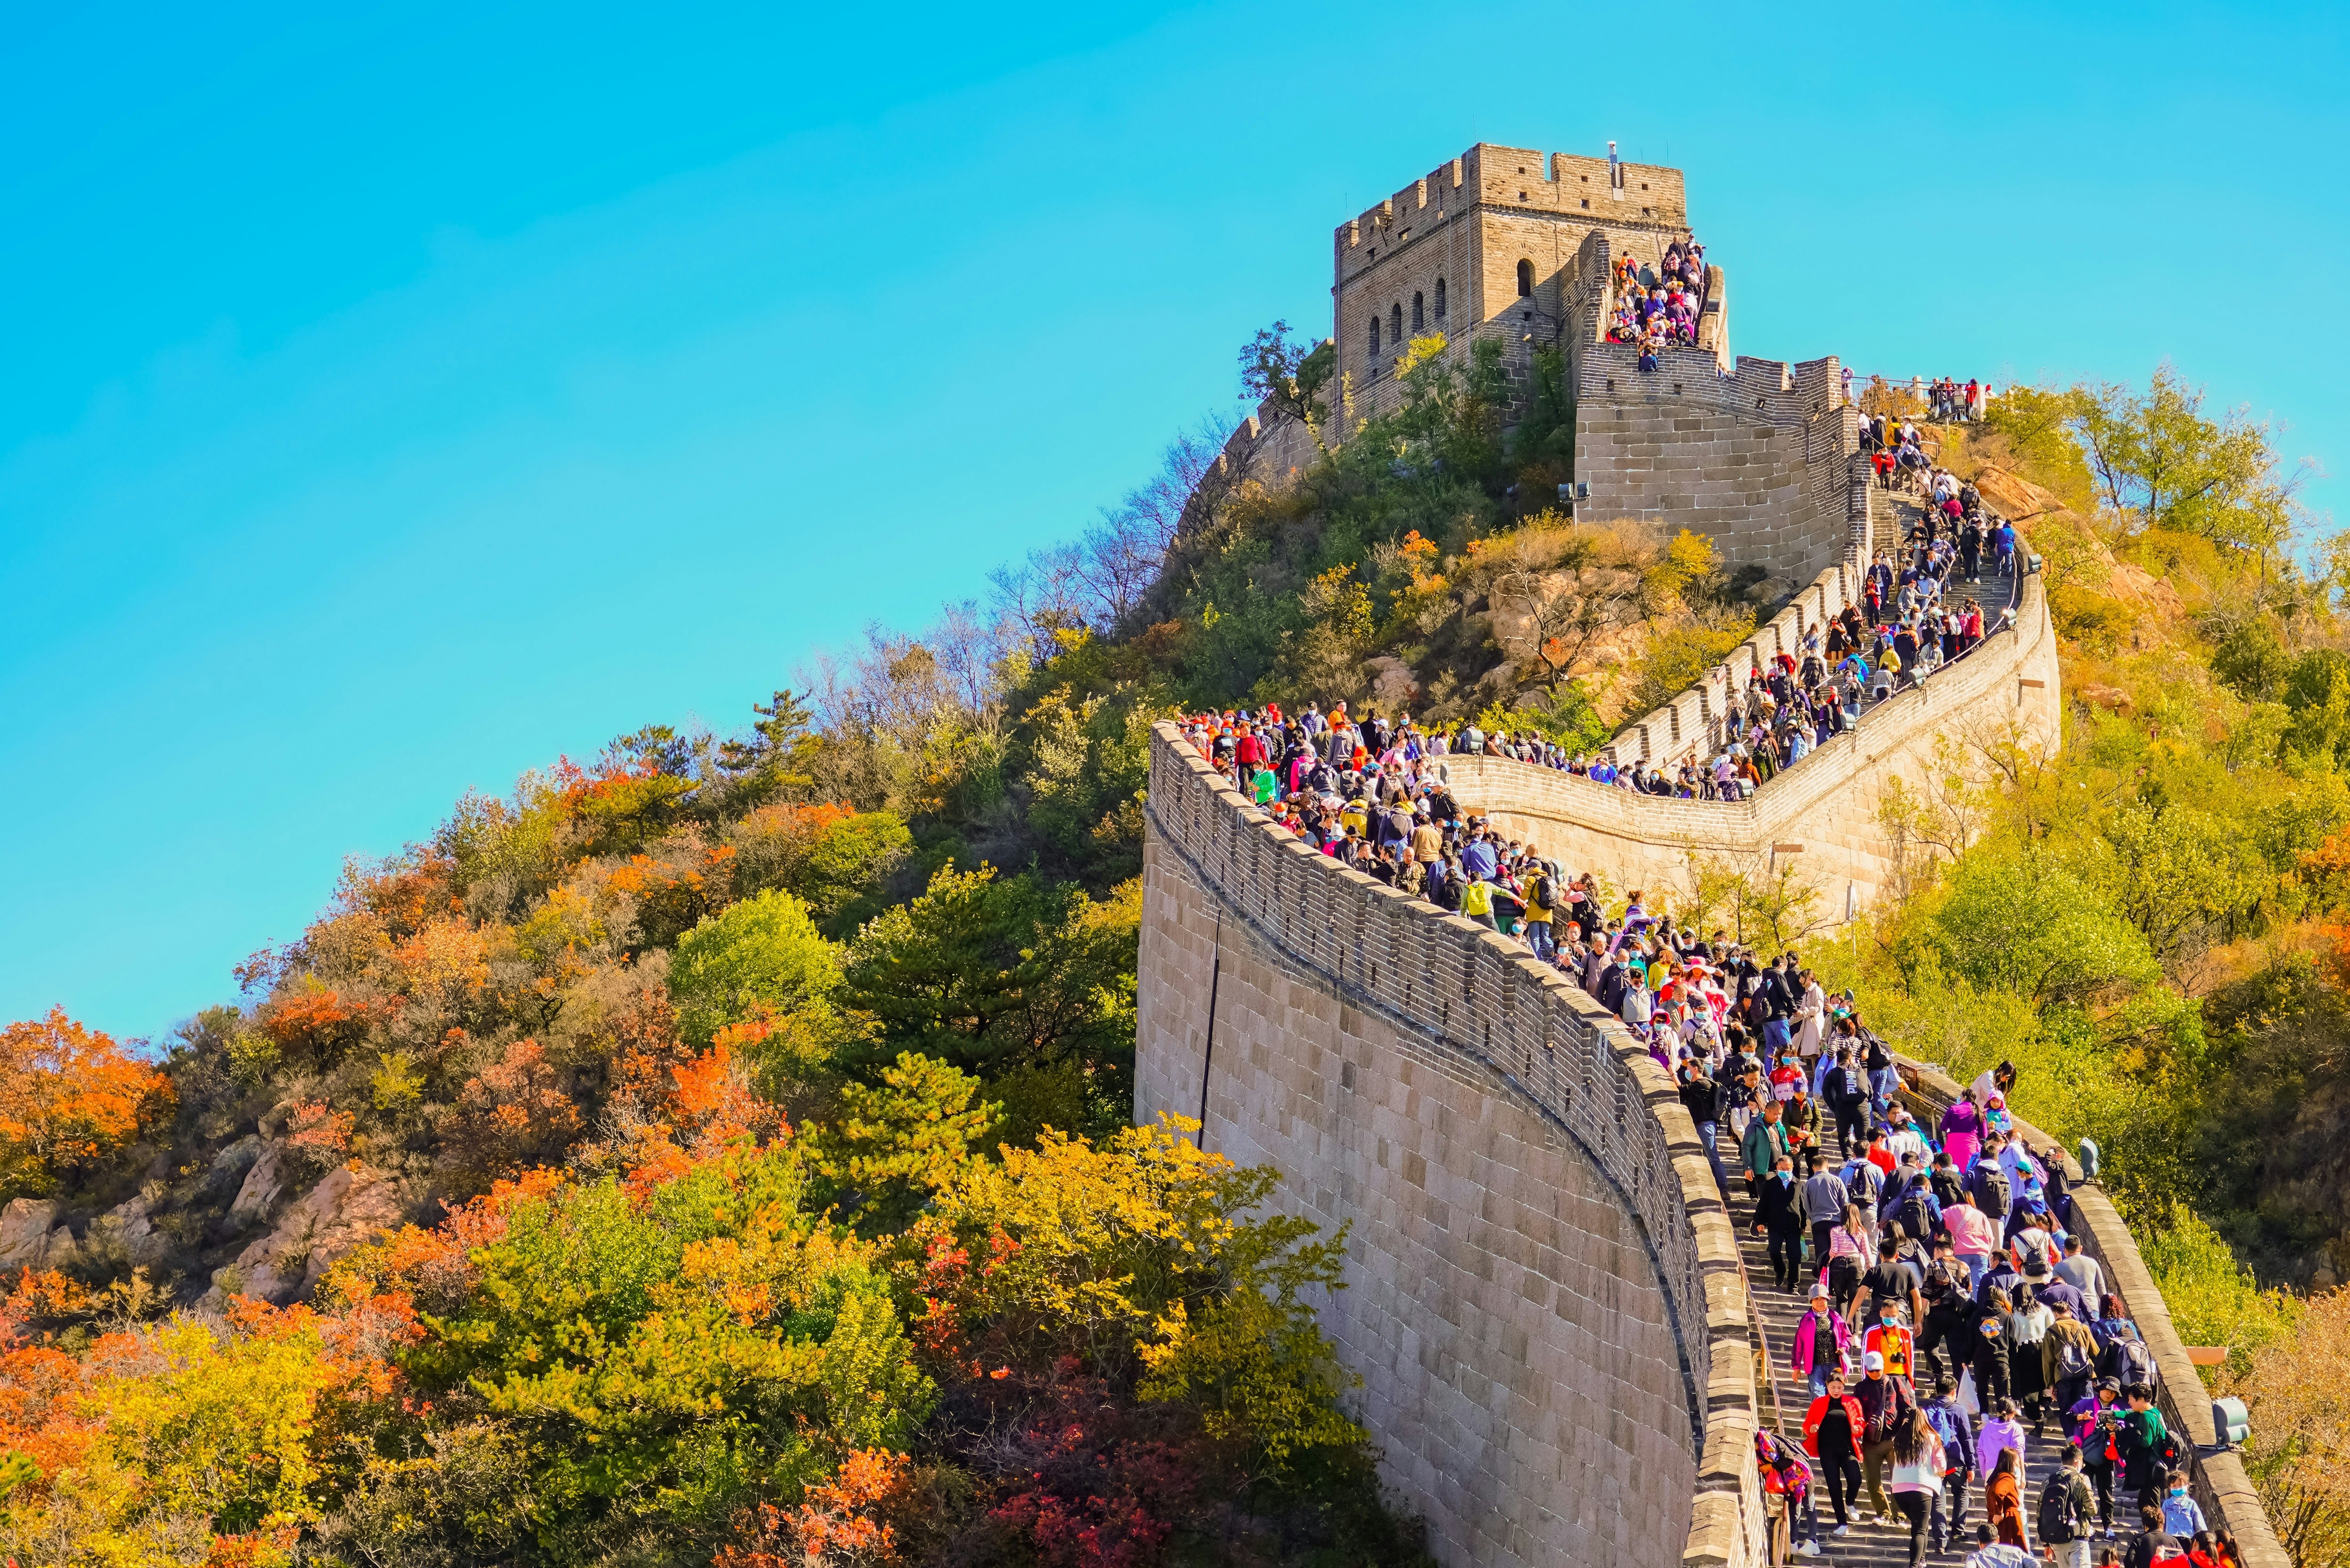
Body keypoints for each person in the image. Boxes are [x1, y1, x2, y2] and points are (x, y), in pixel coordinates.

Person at [1804, 1369, 1867, 1535]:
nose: (1836, 1391)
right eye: (1833, 1387)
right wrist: (1811, 1428)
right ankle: (1842, 1523)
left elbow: (1861, 1424)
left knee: (1856, 1479)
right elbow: (1807, 1425)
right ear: (1827, 1386)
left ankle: (1850, 1502)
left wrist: (1858, 1429)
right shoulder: (1819, 1403)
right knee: (1834, 1486)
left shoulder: (1853, 1402)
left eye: (1840, 1387)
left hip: (1847, 1449)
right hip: (1828, 1451)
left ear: (1844, 1387)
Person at [1858, 1348, 1917, 1524]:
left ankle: (1900, 1515)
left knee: (1899, 1480)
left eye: (1878, 1370)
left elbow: (1908, 1408)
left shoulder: (1896, 1382)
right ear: (1866, 1370)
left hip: (1894, 1439)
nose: (1875, 1374)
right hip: (1871, 1441)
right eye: (1872, 1371)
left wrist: (1905, 1431)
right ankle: (1883, 1512)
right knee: (1872, 1480)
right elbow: (1857, 1412)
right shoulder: (1860, 1388)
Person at [1922, 1372, 1977, 1552]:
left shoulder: (1926, 1410)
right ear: (1954, 1391)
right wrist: (1971, 1466)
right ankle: (1957, 1531)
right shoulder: (1959, 1410)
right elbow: (1967, 1438)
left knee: (1938, 1498)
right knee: (1962, 1493)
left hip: (1934, 1462)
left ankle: (1940, 1540)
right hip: (1955, 1461)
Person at [1888, 1406, 1947, 1568]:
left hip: (1899, 1489)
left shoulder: (1899, 1437)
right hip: (1922, 1488)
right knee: (1919, 1530)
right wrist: (1940, 1473)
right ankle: (1915, 1565)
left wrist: (1903, 1425)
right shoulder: (1932, 1437)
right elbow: (1941, 1464)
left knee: (1920, 1526)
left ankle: (1922, 1560)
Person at [2041, 1443, 2099, 1568]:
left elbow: (2040, 1512)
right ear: (2078, 1462)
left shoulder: (2049, 1481)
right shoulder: (2080, 1479)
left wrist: (2046, 1544)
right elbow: (2092, 1510)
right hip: (2077, 1538)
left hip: (2056, 1539)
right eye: (2082, 1464)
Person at [1757, 1152, 1807, 1290]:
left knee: (1795, 1256)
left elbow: (1802, 1206)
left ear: (1792, 1168)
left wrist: (1803, 1224)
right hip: (1775, 1223)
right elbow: (1763, 1204)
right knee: (1774, 1251)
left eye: (1788, 1169)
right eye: (1783, 1168)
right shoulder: (1770, 1184)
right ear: (1778, 1167)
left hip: (1793, 1224)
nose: (1786, 1171)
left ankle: (1793, 1285)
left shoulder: (1798, 1184)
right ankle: (1780, 1270)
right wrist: (1760, 1221)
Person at [1794, 1284, 1852, 1398]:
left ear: (1827, 1300)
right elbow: (1798, 1344)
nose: (1820, 1302)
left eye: (1822, 1299)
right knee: (1817, 1396)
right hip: (1815, 1366)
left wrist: (1843, 1347)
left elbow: (1847, 1337)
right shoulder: (1806, 1320)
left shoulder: (1836, 1318)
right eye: (1816, 1299)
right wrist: (1796, 1367)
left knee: (1835, 1395)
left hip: (1834, 1364)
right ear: (1811, 1301)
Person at [1985, 1446, 2029, 1550]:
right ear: (2012, 1463)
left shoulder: (1996, 1477)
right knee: (2012, 1550)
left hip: (1999, 1519)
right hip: (2009, 1519)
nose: (2019, 1465)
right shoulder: (2007, 1478)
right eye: (2017, 1462)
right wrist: (1998, 1513)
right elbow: (1998, 1493)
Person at [2160, 1473, 2208, 1540]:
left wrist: (2204, 1538)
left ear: (2187, 1486)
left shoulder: (2191, 1504)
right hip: (2171, 1539)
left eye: (2180, 1485)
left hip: (2188, 1539)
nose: (2177, 1488)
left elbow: (2200, 1524)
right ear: (2170, 1488)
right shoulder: (2167, 1504)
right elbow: (2161, 1523)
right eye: (2174, 1486)